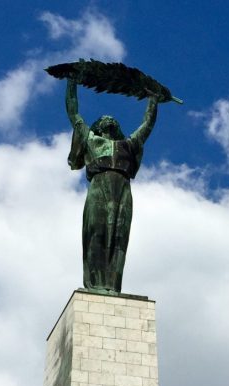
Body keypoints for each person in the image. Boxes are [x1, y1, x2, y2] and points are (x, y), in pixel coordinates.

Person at [66, 76, 158, 293]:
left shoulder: (128, 145)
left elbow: (147, 126)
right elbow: (74, 113)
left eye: (112, 118)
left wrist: (153, 100)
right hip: (99, 187)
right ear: (98, 127)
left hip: (122, 189)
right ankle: (94, 283)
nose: (109, 118)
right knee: (96, 233)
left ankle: (112, 286)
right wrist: (71, 83)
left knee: (119, 237)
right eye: (104, 118)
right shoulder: (91, 139)